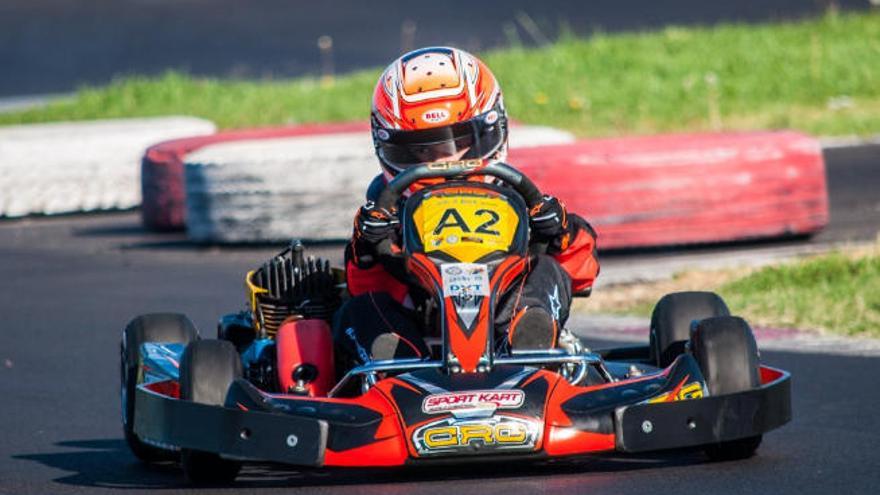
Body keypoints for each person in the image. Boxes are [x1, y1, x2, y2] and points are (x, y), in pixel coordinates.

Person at [333, 47, 599, 368]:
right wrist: (368, 247)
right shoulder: (385, 208)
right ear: (390, 145)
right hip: (421, 341)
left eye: (457, 144)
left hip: (506, 326)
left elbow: (582, 273)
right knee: (357, 310)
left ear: (489, 130)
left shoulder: (518, 196)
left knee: (547, 270)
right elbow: (365, 287)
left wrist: (559, 233)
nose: (443, 161)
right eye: (423, 150)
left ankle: (529, 333)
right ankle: (395, 364)